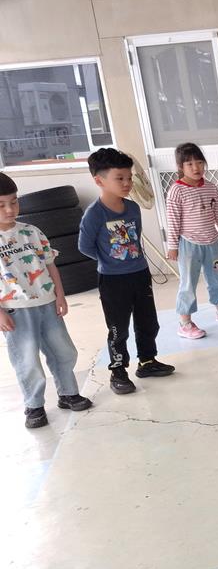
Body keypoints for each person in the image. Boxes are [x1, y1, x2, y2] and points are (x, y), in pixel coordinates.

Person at [78, 148, 175, 395]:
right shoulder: (94, 214)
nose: (127, 183)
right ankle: (118, 371)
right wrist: (109, 261)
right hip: (113, 280)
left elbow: (136, 237)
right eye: (119, 178)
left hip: (140, 274)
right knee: (118, 328)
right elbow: (84, 246)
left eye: (129, 178)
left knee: (148, 321)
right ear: (99, 181)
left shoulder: (132, 208)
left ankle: (147, 361)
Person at [0, 173, 91, 428]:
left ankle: (68, 393)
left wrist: (60, 295)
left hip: (47, 303)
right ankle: (34, 405)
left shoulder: (32, 232)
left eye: (14, 202)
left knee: (64, 350)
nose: (10, 209)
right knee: (27, 360)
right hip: (15, 310)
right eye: (1, 205)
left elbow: (50, 265)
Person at [165, 143, 218, 339]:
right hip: (189, 245)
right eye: (189, 164)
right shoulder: (176, 190)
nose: (196, 167)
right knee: (188, 283)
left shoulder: (211, 187)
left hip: (213, 243)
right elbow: (173, 220)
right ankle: (185, 323)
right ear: (181, 167)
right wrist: (173, 246)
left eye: (199, 162)